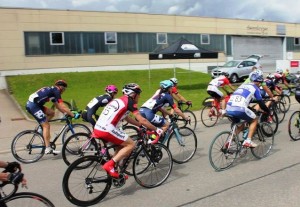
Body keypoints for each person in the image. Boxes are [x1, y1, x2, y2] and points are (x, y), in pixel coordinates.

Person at [93, 83, 163, 178]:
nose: (139, 96)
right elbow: (142, 119)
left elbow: (127, 118)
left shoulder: (119, 100)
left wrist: (139, 125)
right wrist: (156, 129)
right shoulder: (130, 102)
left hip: (98, 127)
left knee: (121, 146)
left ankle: (115, 170)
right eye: (138, 94)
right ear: (133, 94)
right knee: (131, 144)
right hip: (107, 129)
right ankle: (110, 165)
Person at [26, 80, 80, 155]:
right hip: (33, 106)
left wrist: (65, 112)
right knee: (46, 126)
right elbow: (62, 105)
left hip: (36, 105)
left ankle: (41, 127)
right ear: (61, 87)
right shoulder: (56, 91)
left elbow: (58, 106)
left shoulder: (53, 91)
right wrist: (72, 114)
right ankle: (48, 148)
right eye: (64, 89)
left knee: (52, 113)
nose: (64, 91)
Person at [226, 72, 270, 148]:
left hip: (229, 108)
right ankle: (248, 141)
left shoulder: (242, 86)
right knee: (254, 119)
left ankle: (229, 140)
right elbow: (261, 104)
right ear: (258, 81)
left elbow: (244, 99)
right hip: (239, 109)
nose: (260, 84)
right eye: (260, 82)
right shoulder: (255, 88)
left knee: (242, 124)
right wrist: (267, 111)